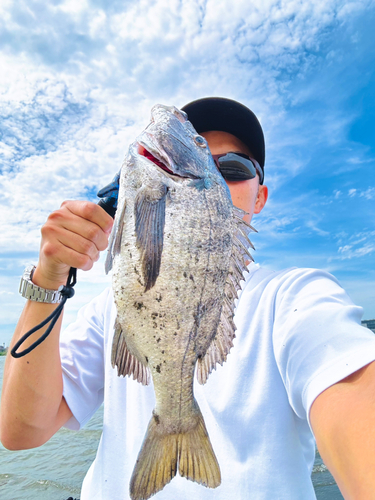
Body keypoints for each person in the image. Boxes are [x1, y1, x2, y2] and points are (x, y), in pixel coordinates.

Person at [1, 97, 375, 500]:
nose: (212, 173)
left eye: (232, 168)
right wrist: (48, 281)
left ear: (260, 198)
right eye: (201, 154)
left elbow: (352, 391)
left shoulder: (294, 298)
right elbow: (22, 432)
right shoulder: (112, 308)